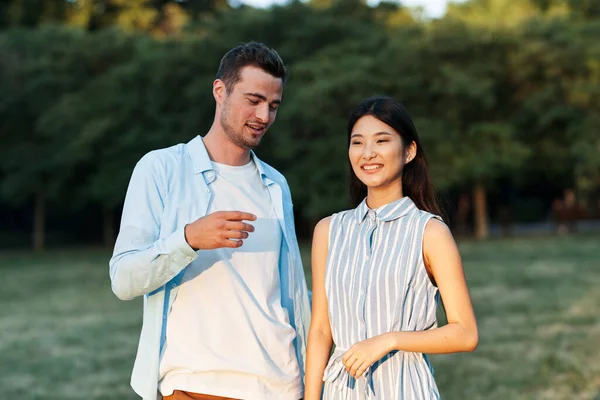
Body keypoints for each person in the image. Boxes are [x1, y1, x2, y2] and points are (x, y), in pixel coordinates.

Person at [109, 42, 311, 400]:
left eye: (273, 105)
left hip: (281, 385)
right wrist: (188, 239)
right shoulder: (161, 169)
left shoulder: (276, 185)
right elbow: (124, 279)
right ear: (220, 90)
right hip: (196, 385)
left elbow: (287, 290)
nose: (264, 116)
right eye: (253, 100)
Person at [304, 96, 478, 399]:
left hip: (404, 388)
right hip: (340, 391)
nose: (368, 153)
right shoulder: (329, 231)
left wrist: (388, 340)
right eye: (357, 143)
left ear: (409, 151)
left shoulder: (429, 232)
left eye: (381, 140)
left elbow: (465, 333)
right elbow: (321, 330)